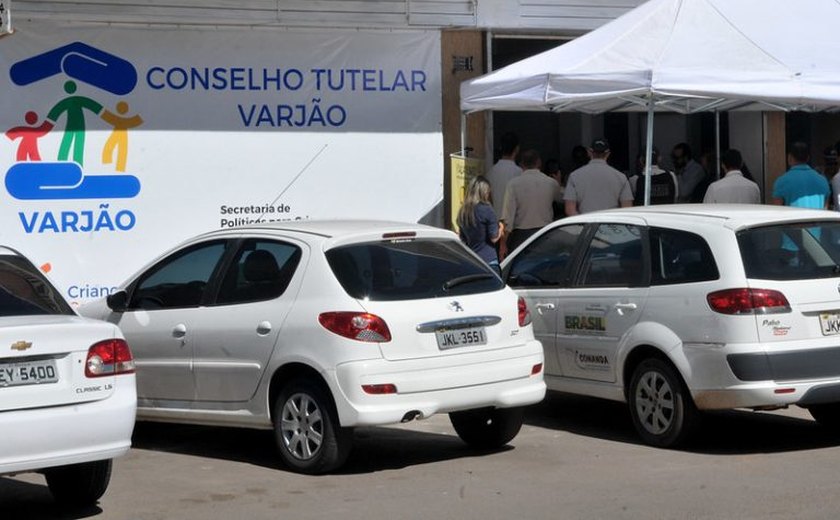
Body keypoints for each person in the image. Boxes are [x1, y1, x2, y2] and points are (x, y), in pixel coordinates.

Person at [502, 149, 563, 251]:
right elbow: (563, 199)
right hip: (544, 234)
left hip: (521, 237)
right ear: (539, 162)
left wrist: (503, 245)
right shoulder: (551, 183)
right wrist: (559, 183)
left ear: (521, 164)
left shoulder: (513, 184)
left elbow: (507, 218)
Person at [564, 138, 633, 216]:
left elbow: (570, 210)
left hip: (585, 225)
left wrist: (583, 224)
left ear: (590, 152)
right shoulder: (621, 177)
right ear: (608, 154)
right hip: (610, 225)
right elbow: (627, 209)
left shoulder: (574, 176)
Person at [457, 176, 504, 272]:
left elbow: (463, 239)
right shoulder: (487, 209)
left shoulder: (463, 211)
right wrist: (501, 228)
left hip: (472, 261)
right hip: (488, 261)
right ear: (484, 192)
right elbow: (494, 238)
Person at [772, 141, 830, 209]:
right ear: (808, 158)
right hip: (818, 219)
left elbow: (777, 210)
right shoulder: (823, 180)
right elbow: (825, 208)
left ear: (789, 157)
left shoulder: (782, 182)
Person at [485, 132, 522, 219]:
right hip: (513, 224)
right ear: (517, 149)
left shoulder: (490, 173)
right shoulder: (520, 173)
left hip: (494, 223)